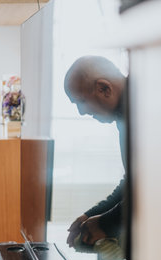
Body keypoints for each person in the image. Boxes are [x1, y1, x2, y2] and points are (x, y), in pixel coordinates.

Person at [63, 55, 127, 247]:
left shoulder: (147, 109)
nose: (81, 113)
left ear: (104, 88)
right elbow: (135, 182)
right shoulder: (124, 116)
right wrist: (91, 216)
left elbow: (153, 189)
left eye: (81, 102)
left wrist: (105, 223)